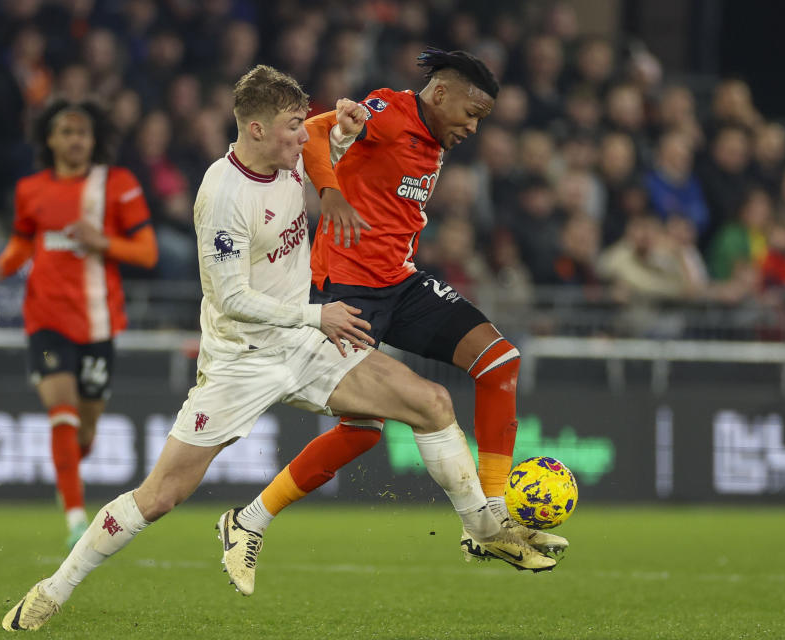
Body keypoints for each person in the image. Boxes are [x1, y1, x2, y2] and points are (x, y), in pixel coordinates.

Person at [1, 64, 554, 633]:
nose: (304, 137)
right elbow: (231, 297)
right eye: (295, 126)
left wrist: (342, 125)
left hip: (305, 343)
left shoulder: (289, 163)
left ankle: (485, 530)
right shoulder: (222, 194)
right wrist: (318, 313)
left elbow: (331, 139)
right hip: (242, 361)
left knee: (433, 403)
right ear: (257, 129)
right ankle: (52, 589)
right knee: (161, 495)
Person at [223, 49, 568, 593]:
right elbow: (313, 135)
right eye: (471, 112)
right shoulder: (386, 110)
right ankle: (248, 520)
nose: (474, 127)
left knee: (500, 360)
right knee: (363, 432)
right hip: (343, 291)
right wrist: (330, 191)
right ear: (439, 94)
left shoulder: (432, 138)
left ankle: (492, 513)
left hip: (399, 284)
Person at [0, 99, 158, 549]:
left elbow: (148, 253)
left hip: (99, 323)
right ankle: (76, 517)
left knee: (86, 429)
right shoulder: (31, 190)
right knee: (61, 408)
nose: (75, 140)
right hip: (45, 320)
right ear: (50, 139)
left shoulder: (117, 185)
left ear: (94, 140)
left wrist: (103, 241)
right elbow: (23, 243)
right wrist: (1, 265)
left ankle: (68, 472)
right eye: (66, 132)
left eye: (83, 132)